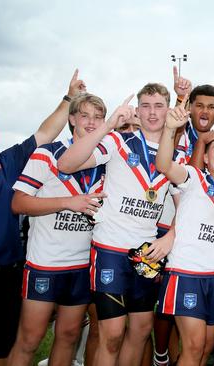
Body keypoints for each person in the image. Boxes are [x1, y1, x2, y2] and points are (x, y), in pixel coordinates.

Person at [58, 83, 178, 365]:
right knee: (111, 334)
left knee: (140, 330)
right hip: (110, 250)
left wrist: (170, 237)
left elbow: (187, 209)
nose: (152, 112)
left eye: (159, 106)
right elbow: (66, 164)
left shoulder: (175, 154)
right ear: (136, 110)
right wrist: (109, 124)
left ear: (168, 110)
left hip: (146, 253)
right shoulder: (117, 141)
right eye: (145, 106)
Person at [0, 69, 85, 366]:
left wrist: (69, 98)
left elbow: (44, 134)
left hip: (4, 273)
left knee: (3, 346)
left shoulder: (5, 162)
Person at [8, 93, 108, 366]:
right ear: (72, 118)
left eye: (98, 117)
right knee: (30, 339)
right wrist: (68, 203)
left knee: (68, 335)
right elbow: (18, 203)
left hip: (80, 266)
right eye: (85, 115)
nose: (92, 122)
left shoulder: (104, 160)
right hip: (45, 263)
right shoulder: (48, 153)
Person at [155, 97, 214, 365]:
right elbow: (165, 165)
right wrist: (169, 130)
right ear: (204, 156)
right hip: (186, 273)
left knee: (204, 347)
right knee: (192, 347)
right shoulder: (193, 178)